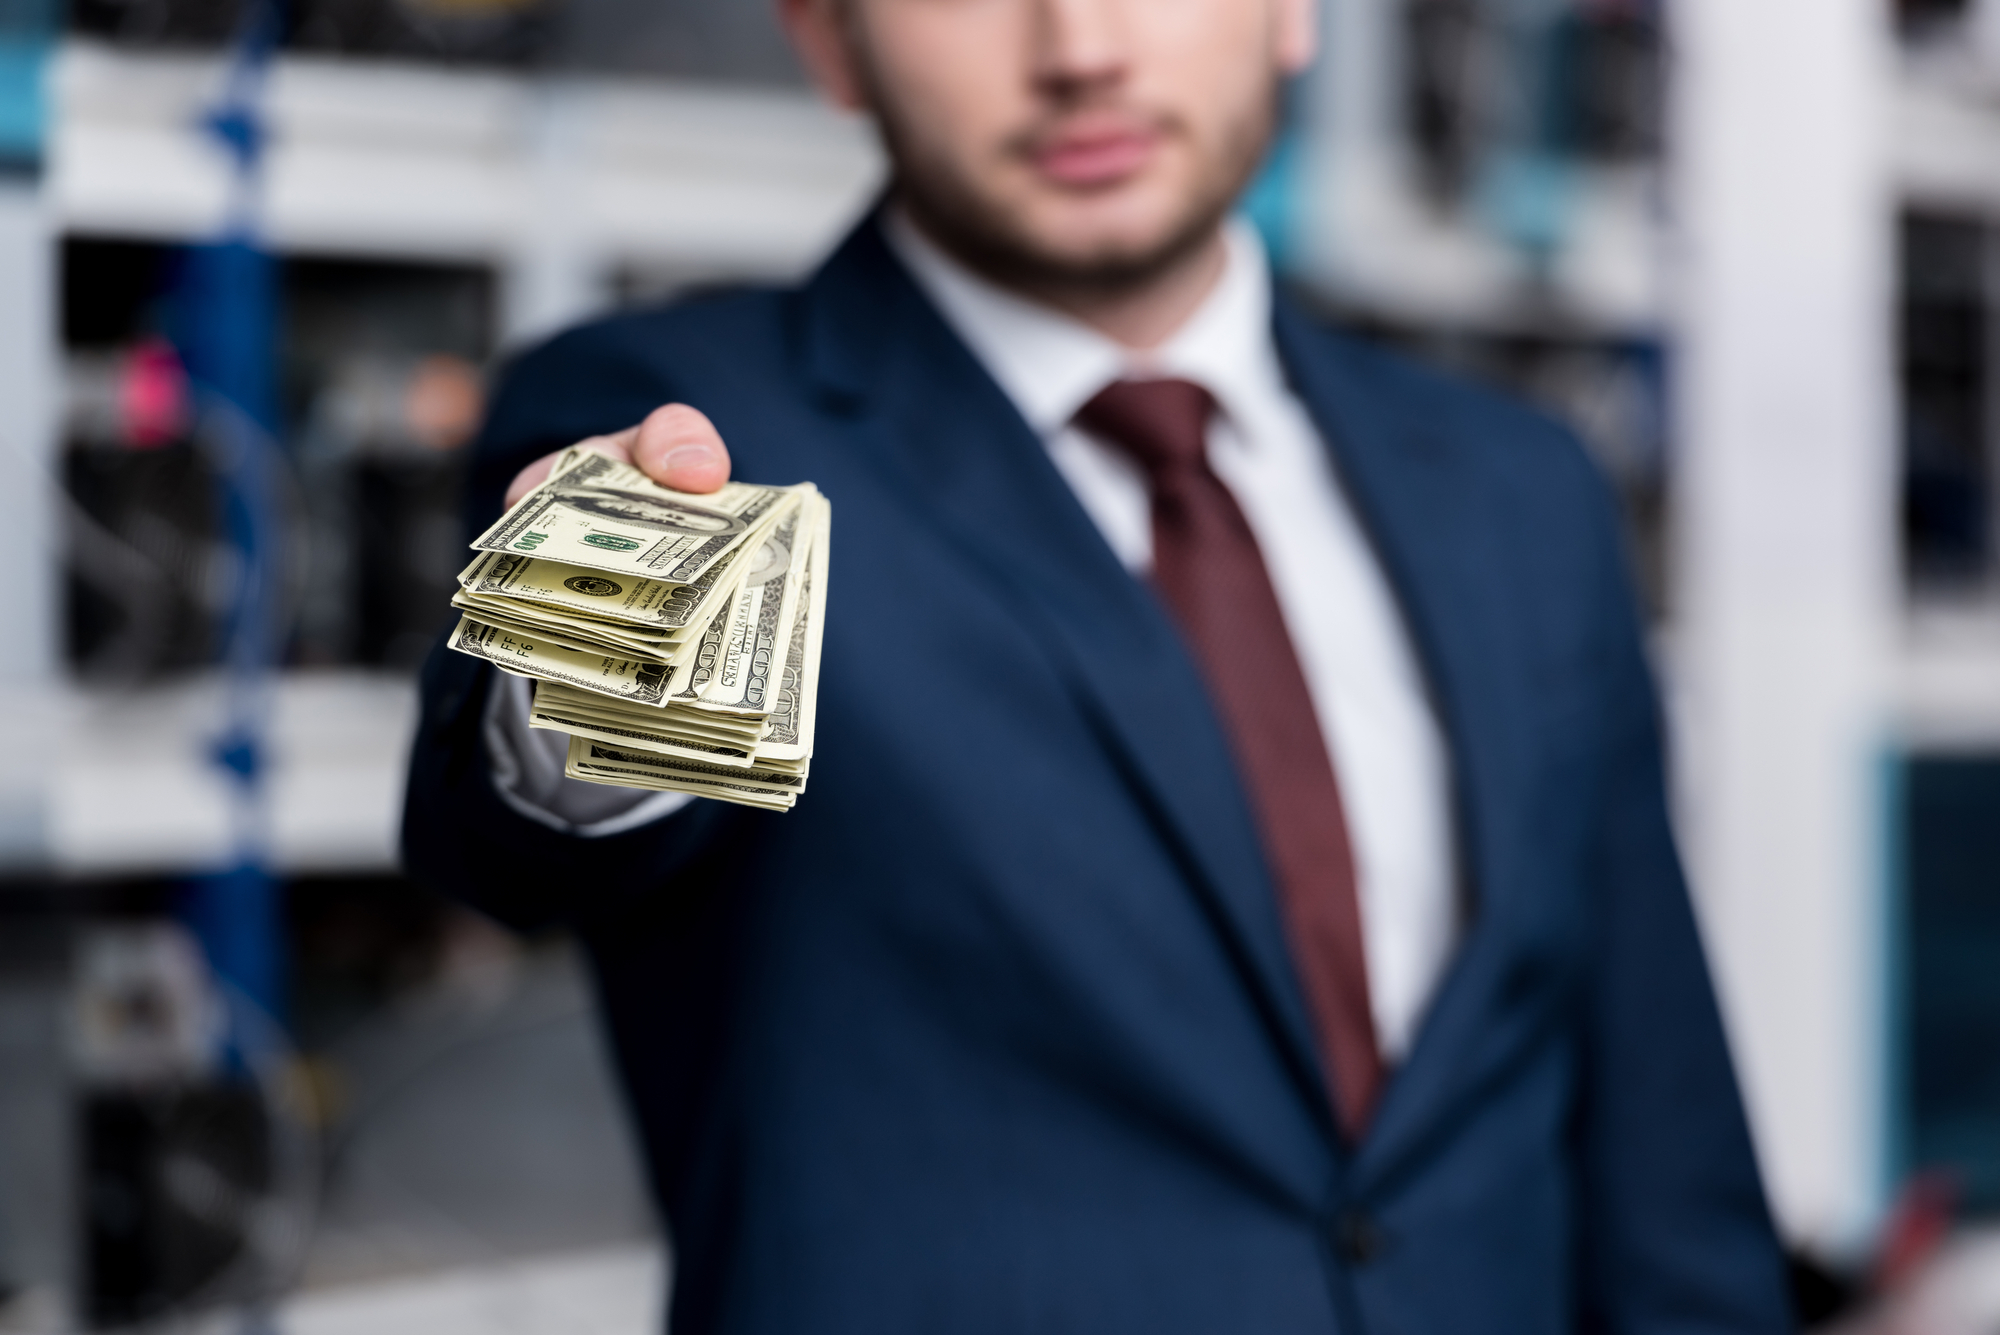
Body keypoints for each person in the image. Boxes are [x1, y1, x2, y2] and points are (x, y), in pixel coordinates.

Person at [403, 0, 1794, 1329]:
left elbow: (1663, 1165)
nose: (1081, 48)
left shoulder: (1518, 492)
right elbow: (520, 841)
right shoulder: (696, 431)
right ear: (830, 37)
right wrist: (605, 646)